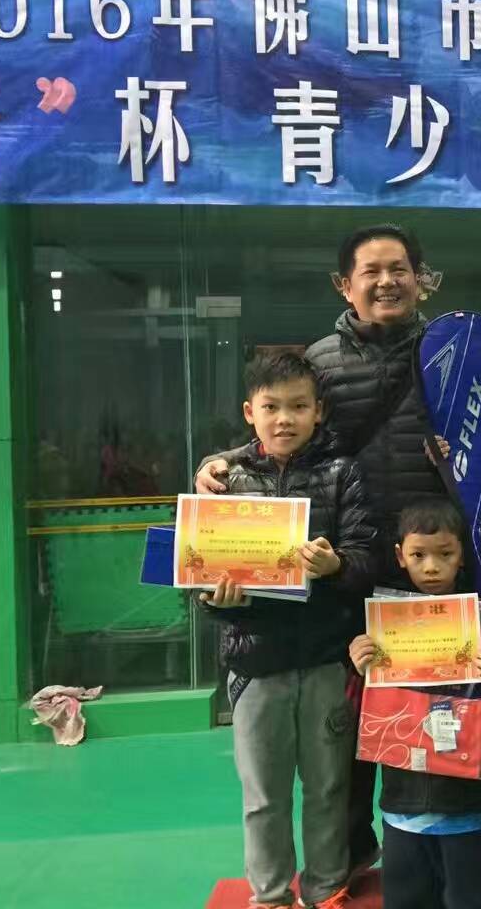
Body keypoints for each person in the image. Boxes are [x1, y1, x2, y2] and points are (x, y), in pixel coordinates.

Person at [196, 224, 445, 882]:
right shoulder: (321, 361)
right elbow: (282, 429)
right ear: (344, 284)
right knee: (349, 729)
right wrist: (221, 463)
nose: (387, 282)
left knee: (431, 711)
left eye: (399, 268)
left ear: (420, 278)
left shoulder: (450, 349)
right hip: (343, 568)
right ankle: (350, 858)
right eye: (371, 271)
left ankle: (428, 852)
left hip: (427, 561)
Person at [199, 351, 375, 909]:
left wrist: (337, 565)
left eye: (298, 406)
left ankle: (327, 889)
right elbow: (198, 573)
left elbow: (365, 558)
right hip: (254, 664)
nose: (284, 419)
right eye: (271, 407)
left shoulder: (343, 473)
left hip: (326, 660)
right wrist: (214, 600)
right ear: (249, 412)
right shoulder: (224, 481)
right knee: (263, 797)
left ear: (318, 411)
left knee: (328, 789)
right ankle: (271, 896)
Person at [348, 499, 481, 909]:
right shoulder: (384, 625)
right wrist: (358, 665)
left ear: (462, 554)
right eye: (418, 555)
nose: (431, 567)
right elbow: (370, 709)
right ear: (399, 556)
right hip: (403, 801)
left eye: (445, 554)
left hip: (471, 805)